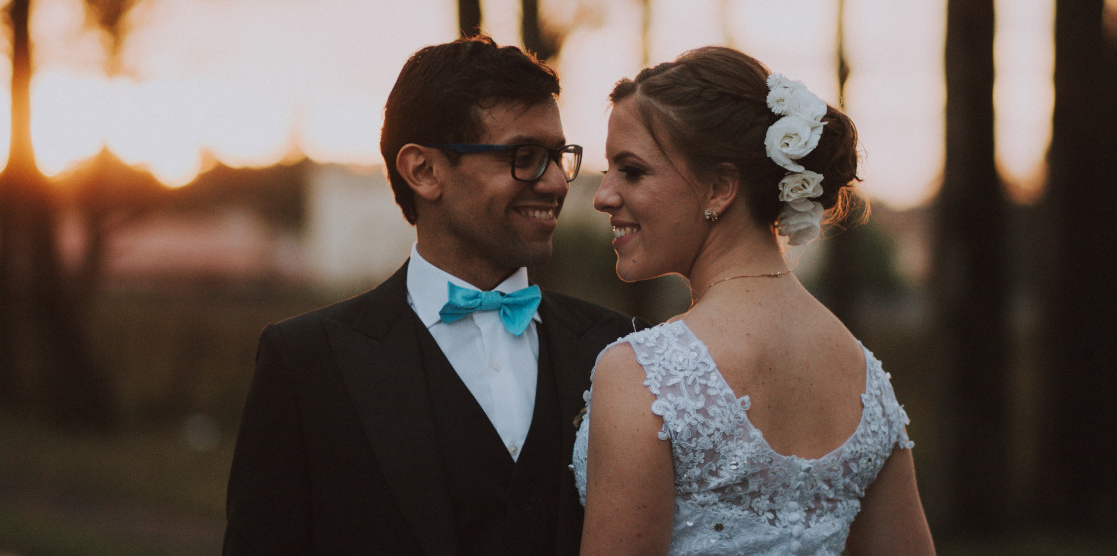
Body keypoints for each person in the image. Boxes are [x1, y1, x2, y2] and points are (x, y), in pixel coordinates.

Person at [222, 35, 642, 555]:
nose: (556, 182)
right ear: (423, 171)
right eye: (526, 156)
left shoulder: (620, 349)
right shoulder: (307, 361)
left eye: (559, 156)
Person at [570, 47, 935, 555]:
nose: (603, 195)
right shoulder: (865, 379)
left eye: (631, 171)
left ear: (719, 188)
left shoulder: (646, 376)